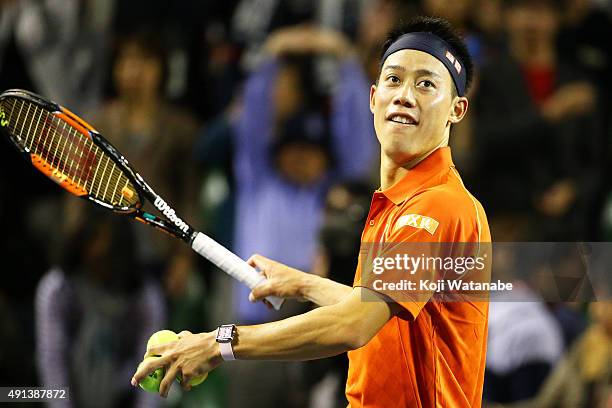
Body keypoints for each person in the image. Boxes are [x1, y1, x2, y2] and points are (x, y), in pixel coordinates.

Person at [132, 16, 491, 407]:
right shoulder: (398, 205)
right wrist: (304, 284)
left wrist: (218, 343)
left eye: (426, 84)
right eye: (394, 79)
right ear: (374, 98)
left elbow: (354, 324)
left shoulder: (437, 206)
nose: (405, 94)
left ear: (457, 109)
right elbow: (375, 314)